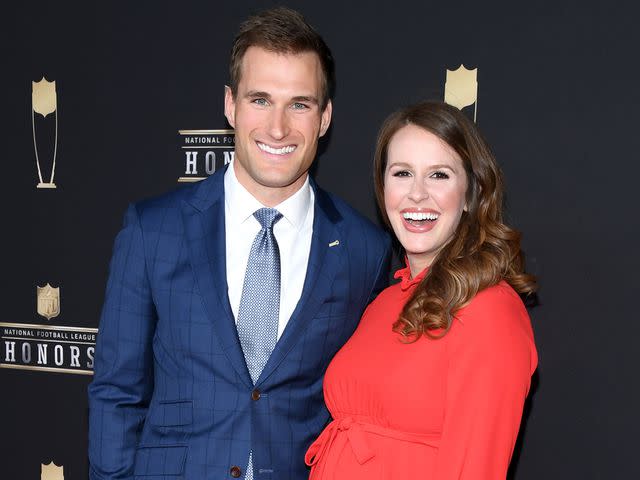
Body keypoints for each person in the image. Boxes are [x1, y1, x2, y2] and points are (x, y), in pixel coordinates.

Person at [87, 7, 391, 480]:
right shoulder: (153, 231)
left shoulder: (364, 249)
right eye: (261, 99)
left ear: (325, 117)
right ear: (230, 105)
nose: (277, 128)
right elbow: (116, 393)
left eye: (300, 104)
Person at [305, 101, 538, 479]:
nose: (417, 194)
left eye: (439, 176)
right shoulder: (383, 303)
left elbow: (474, 469)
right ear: (383, 188)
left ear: (470, 193)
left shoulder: (489, 309)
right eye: (402, 173)